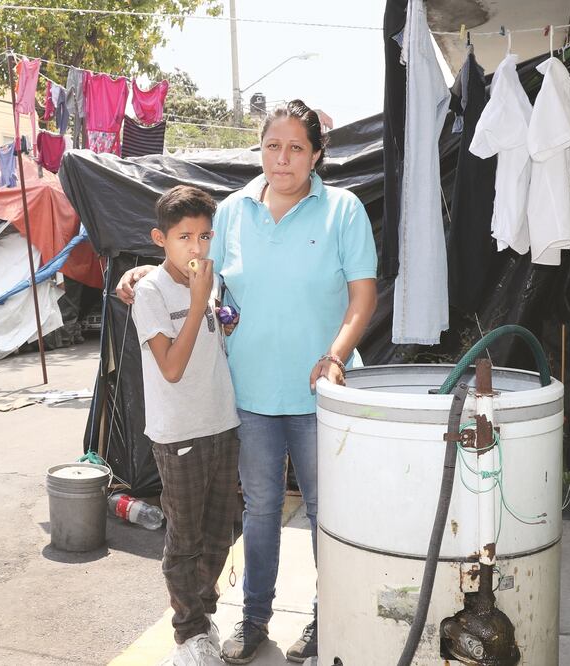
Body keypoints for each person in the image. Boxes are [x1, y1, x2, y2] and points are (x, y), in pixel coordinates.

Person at [118, 101, 378, 664]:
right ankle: (255, 618)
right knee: (260, 511)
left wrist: (335, 355)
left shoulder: (343, 211)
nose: (282, 160)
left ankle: (322, 620)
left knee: (325, 512)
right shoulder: (233, 212)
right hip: (250, 397)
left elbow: (362, 298)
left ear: (316, 155)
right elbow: (195, 265)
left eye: (296, 149)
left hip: (320, 394)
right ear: (259, 150)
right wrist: (142, 271)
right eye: (271, 147)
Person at [131, 186, 241, 666]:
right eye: (183, 238)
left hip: (222, 421)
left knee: (221, 531)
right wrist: (197, 303)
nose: (195, 249)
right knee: (185, 539)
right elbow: (171, 368)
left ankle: (203, 616)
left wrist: (216, 310)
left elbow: (211, 344)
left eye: (203, 236)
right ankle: (188, 635)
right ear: (161, 238)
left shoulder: (211, 282)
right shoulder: (150, 293)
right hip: (178, 434)